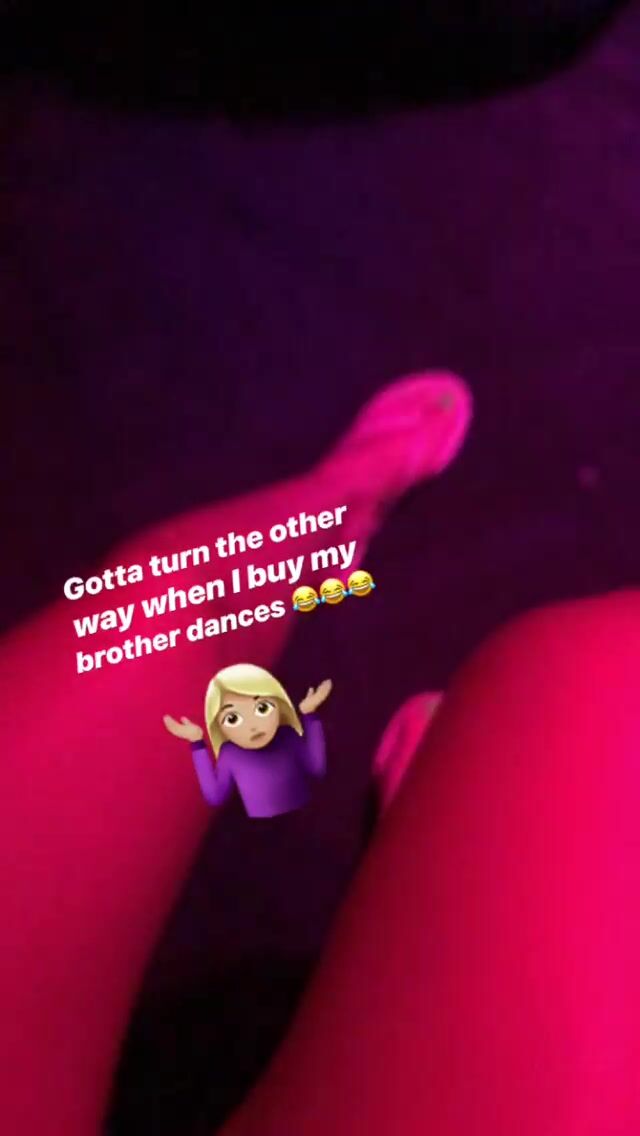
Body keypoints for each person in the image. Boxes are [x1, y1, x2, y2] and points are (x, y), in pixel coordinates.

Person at [163, 664, 332, 817]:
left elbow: (317, 768)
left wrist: (310, 715)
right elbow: (215, 797)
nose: (253, 726)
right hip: (260, 833)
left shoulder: (287, 735)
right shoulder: (230, 753)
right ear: (219, 727)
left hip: (306, 819)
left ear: (279, 706)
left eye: (262, 708)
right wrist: (197, 743)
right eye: (232, 718)